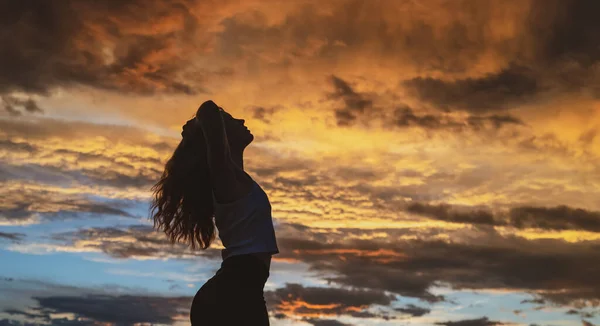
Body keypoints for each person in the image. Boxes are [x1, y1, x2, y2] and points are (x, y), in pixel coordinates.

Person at [150, 100, 279, 325]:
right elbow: (208, 110)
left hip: (242, 291)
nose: (242, 120)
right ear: (221, 135)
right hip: (233, 294)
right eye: (230, 120)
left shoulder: (235, 177)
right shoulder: (225, 178)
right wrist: (198, 125)